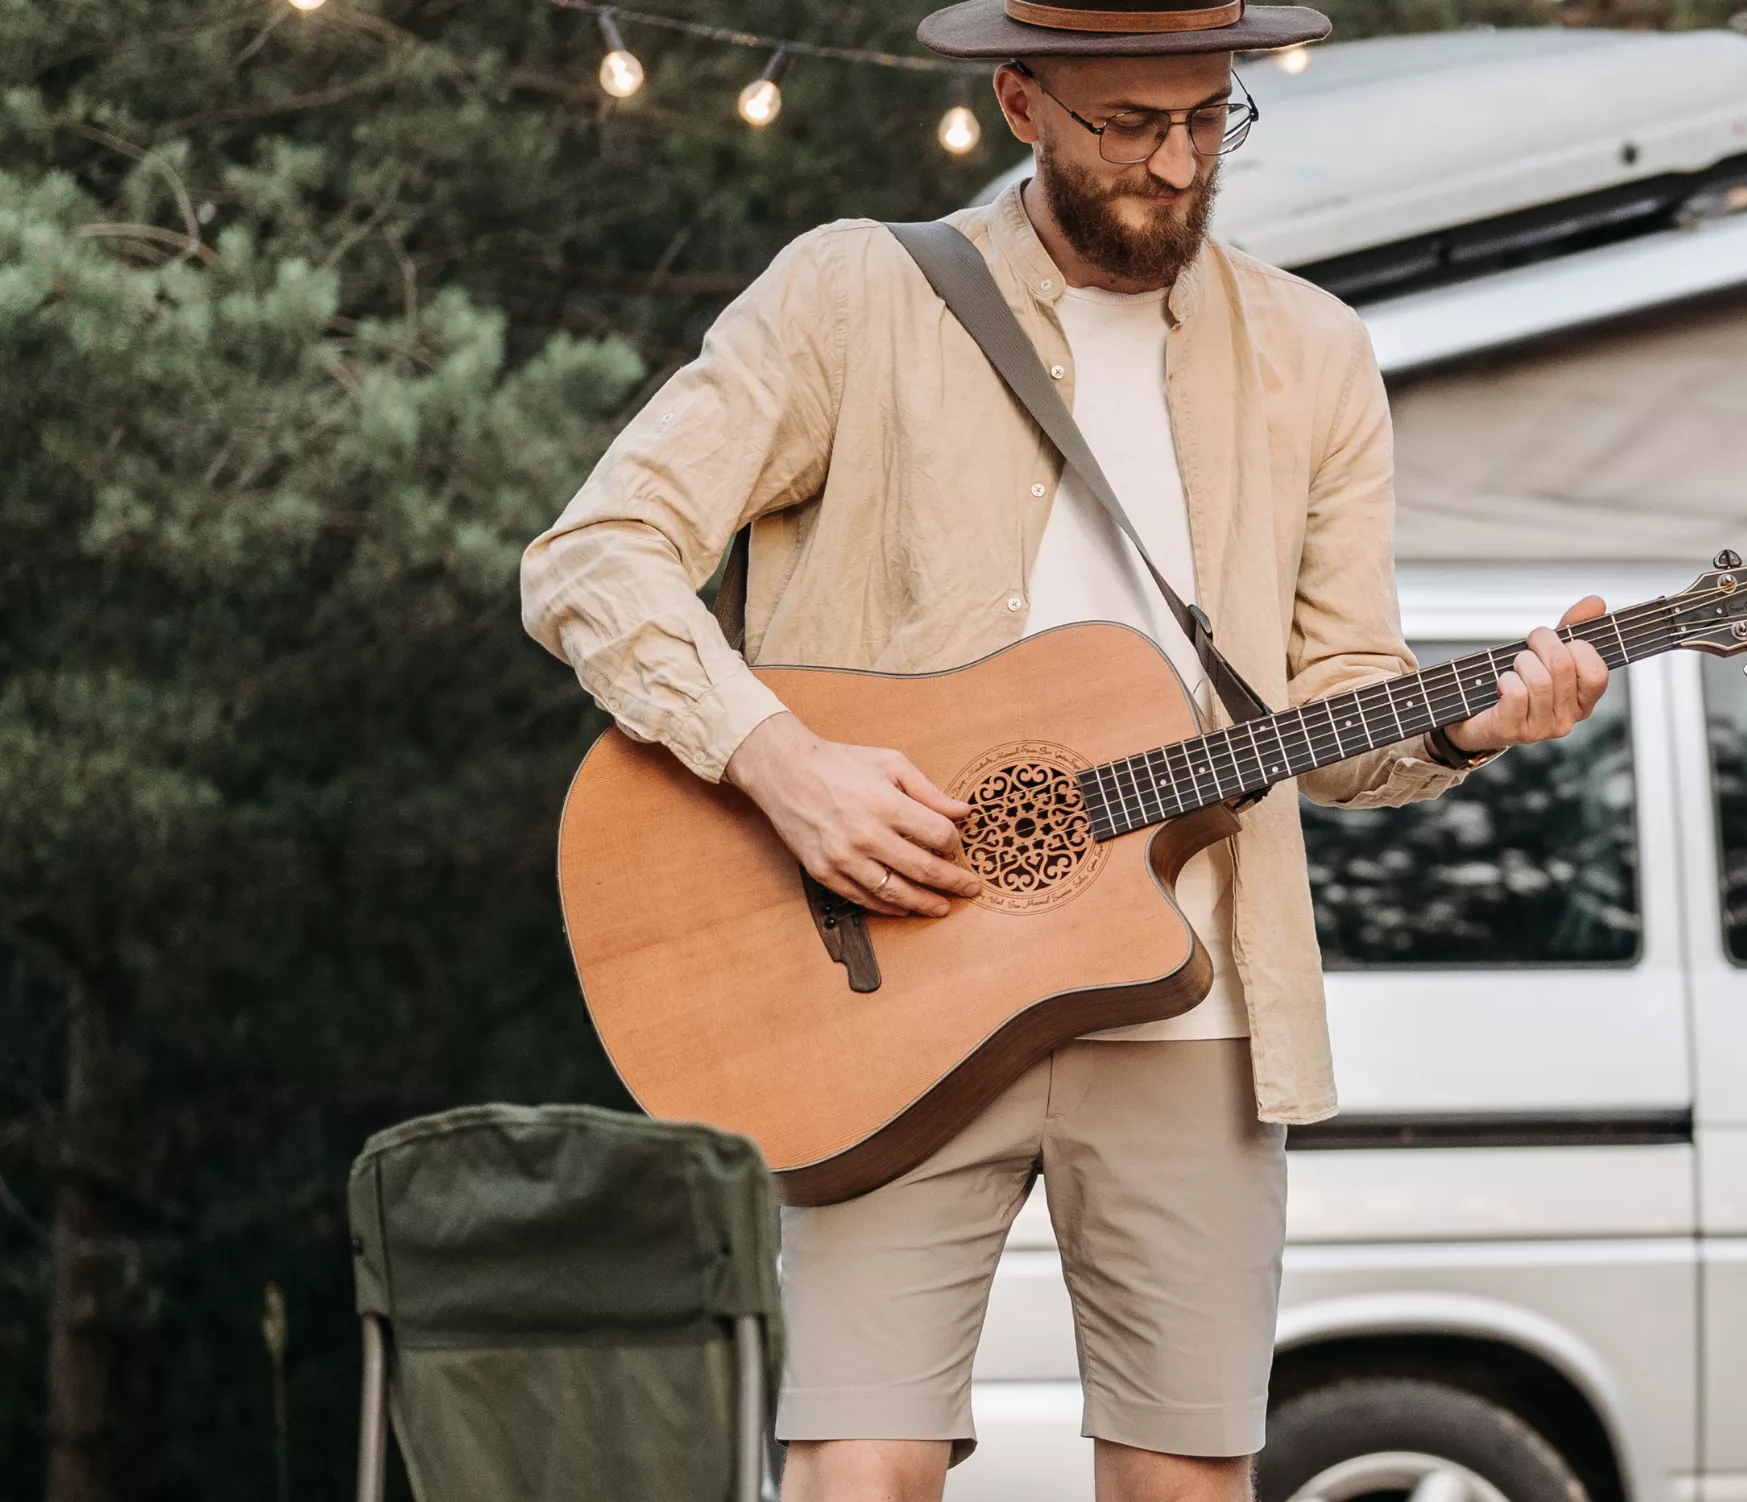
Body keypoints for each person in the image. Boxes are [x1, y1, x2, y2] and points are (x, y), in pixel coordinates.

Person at [515, 2, 1611, 1498]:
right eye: (1129, 123)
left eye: (1210, 118)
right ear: (1022, 104)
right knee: (861, 1474)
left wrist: (1472, 721)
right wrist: (784, 762)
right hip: (881, 1001)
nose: (1177, 163)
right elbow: (594, 557)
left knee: (1184, 1482)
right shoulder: (854, 296)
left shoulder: (1314, 355)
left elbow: (1337, 707)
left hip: (1197, 1008)